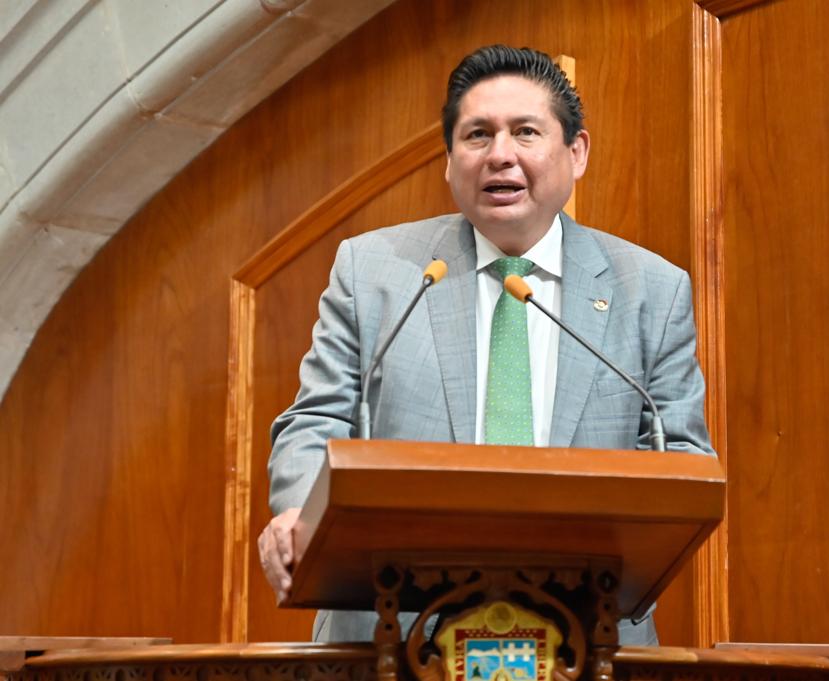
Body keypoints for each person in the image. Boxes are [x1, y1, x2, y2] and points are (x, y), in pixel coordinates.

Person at [258, 44, 715, 646]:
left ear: (576, 152)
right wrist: (301, 515)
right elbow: (315, 422)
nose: (500, 154)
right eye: (477, 135)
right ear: (450, 161)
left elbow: (681, 456)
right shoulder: (373, 271)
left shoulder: (650, 289)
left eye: (526, 131)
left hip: (587, 636)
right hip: (390, 633)